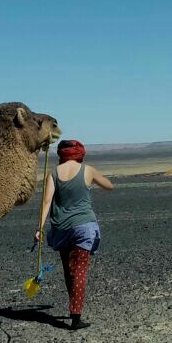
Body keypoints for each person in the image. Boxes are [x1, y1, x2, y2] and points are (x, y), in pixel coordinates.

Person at [35, 139, 113, 329]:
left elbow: (46, 202)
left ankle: (74, 309)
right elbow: (109, 186)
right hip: (83, 226)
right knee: (79, 270)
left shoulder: (53, 173)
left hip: (62, 229)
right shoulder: (88, 170)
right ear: (79, 153)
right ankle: (76, 316)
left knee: (69, 270)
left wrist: (39, 228)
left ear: (62, 154)